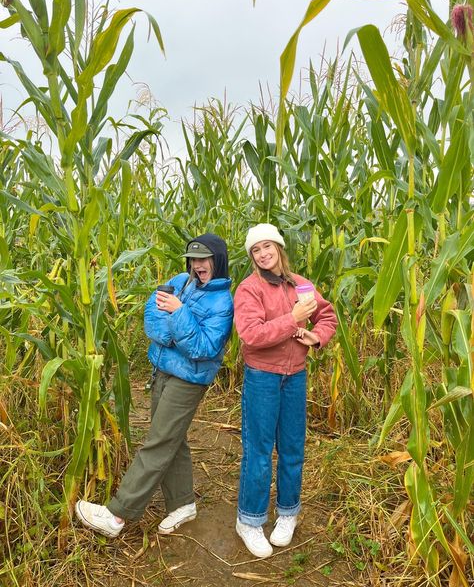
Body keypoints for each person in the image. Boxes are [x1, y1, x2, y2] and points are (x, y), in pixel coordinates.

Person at [75, 233, 234, 538]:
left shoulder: (222, 302)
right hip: (162, 370)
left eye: (204, 259)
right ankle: (183, 504)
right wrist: (174, 333)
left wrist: (178, 312)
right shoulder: (181, 281)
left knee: (159, 441)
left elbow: (203, 348)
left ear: (218, 260)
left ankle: (117, 515)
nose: (197, 265)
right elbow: (152, 316)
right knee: (172, 438)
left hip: (189, 380)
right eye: (194, 259)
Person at [234, 223, 337, 558]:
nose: (263, 254)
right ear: (252, 257)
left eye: (268, 247)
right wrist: (293, 319)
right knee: (259, 451)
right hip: (263, 377)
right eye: (256, 250)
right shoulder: (249, 289)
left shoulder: (301, 285)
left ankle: (288, 513)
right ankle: (249, 520)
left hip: (295, 377)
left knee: (293, 448)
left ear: (279, 248)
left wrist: (316, 336)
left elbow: (328, 316)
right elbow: (251, 335)